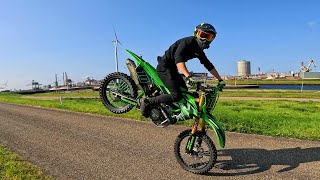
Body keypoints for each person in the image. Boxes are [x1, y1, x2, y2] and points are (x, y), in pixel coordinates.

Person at [138, 23, 225, 120]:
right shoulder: (187, 42)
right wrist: (188, 76)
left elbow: (208, 65)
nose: (205, 39)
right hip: (164, 68)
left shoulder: (199, 50)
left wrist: (220, 79)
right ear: (196, 33)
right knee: (176, 95)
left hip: (173, 70)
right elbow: (178, 60)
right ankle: (147, 101)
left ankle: (169, 110)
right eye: (203, 35)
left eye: (208, 37)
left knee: (184, 92)